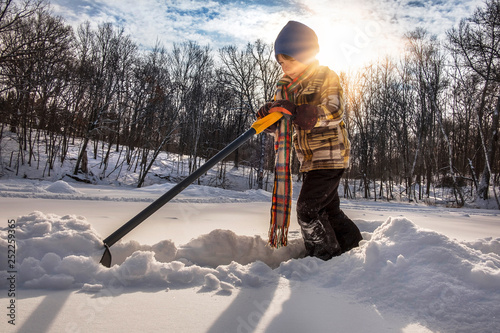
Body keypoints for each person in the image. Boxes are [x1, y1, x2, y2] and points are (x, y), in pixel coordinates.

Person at [257, 21, 362, 260]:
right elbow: (283, 125)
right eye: (281, 63)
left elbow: (335, 111)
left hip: (330, 155)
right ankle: (353, 247)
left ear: (305, 55)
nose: (284, 68)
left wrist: (297, 110)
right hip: (310, 160)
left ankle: (323, 257)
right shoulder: (285, 88)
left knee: (307, 210)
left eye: (289, 61)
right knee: (329, 209)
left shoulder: (325, 76)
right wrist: (270, 117)